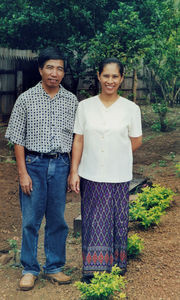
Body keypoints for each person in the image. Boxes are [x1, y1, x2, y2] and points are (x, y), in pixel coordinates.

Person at [5, 47, 78, 290]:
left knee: (58, 219)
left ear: (63, 73)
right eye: (49, 67)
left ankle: (54, 267)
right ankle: (29, 268)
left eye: (59, 68)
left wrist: (72, 171)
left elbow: (78, 138)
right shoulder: (25, 99)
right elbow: (18, 139)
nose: (54, 73)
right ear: (40, 69)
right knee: (31, 219)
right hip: (33, 165)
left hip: (61, 164)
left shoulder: (71, 101)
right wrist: (23, 173)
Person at [69, 57, 142, 283]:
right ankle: (91, 270)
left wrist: (116, 153)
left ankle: (116, 266)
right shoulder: (85, 106)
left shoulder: (131, 109)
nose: (110, 80)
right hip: (90, 173)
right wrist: (74, 171)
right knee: (92, 221)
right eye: (106, 76)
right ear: (99, 77)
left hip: (118, 175)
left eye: (115, 76)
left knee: (117, 220)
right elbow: (78, 140)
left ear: (121, 79)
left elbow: (136, 140)